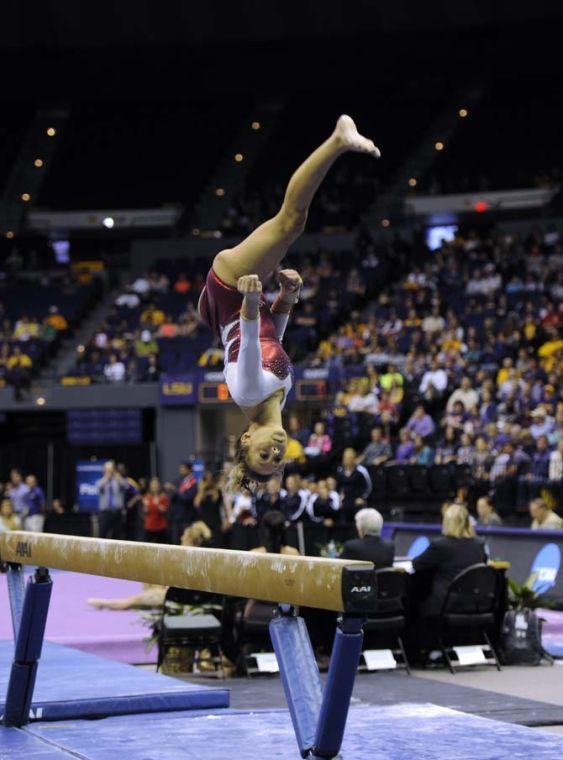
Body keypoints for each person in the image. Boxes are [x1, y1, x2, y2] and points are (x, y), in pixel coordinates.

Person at [197, 115, 379, 494]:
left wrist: (250, 297)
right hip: (226, 309)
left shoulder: (249, 394)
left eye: (265, 457)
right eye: (278, 462)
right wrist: (287, 299)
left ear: (246, 440)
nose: (276, 454)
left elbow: (250, 335)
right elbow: (270, 339)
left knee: (290, 223)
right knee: (290, 225)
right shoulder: (278, 396)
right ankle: (337, 141)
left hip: (231, 291)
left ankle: (337, 138)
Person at [88, 522, 212, 610]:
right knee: (148, 581)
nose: (180, 538)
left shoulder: (185, 556)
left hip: (173, 598)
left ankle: (105, 603)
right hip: (180, 595)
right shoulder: (202, 557)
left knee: (133, 601)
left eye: (183, 537)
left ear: (189, 540)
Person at [412, 504, 487, 618]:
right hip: (475, 603)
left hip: (446, 604)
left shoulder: (441, 545)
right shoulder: (479, 544)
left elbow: (417, 564)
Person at [336, 448, 372, 517]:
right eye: (345, 458)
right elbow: (338, 486)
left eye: (349, 458)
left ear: (354, 458)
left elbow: (368, 486)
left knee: (358, 509)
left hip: (357, 499)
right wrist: (339, 497)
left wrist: (362, 498)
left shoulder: (361, 470)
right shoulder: (340, 470)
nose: (347, 460)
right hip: (345, 500)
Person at [96, 460, 127, 539]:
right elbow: (98, 488)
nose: (109, 471)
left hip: (117, 512)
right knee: (102, 534)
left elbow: (126, 486)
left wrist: (118, 476)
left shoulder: (118, 480)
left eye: (111, 469)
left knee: (117, 536)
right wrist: (106, 477)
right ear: (104, 470)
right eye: (107, 469)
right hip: (105, 513)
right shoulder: (101, 481)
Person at [142, 477, 169, 543]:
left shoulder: (163, 497)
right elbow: (145, 512)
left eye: (156, 485)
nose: (154, 486)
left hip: (161, 527)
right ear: (150, 486)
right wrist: (146, 505)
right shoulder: (147, 497)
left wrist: (157, 504)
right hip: (149, 526)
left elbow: (164, 511)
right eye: (153, 485)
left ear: (159, 486)